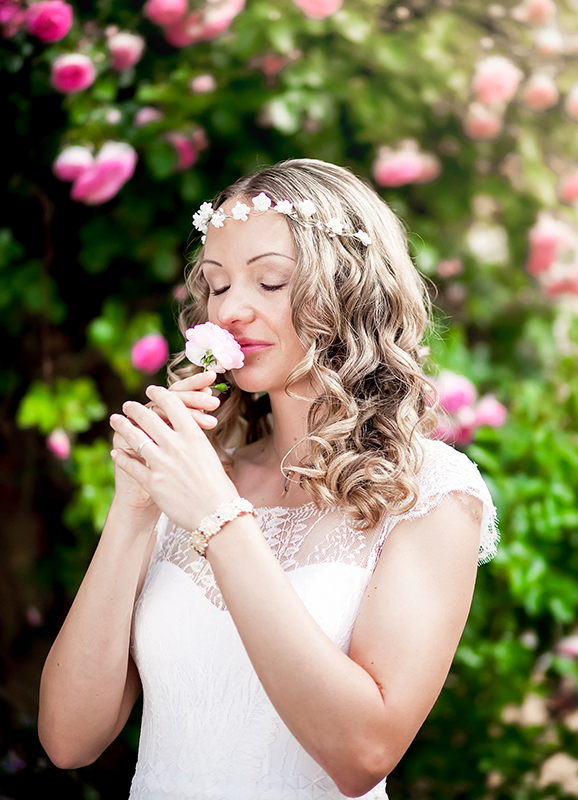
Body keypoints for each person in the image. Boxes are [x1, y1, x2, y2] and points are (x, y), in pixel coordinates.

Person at [38, 158, 498, 799]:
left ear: (351, 290)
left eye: (271, 282)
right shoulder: (191, 480)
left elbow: (363, 753)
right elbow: (68, 740)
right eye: (217, 285)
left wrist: (217, 515)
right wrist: (136, 508)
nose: (232, 309)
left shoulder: (429, 493)